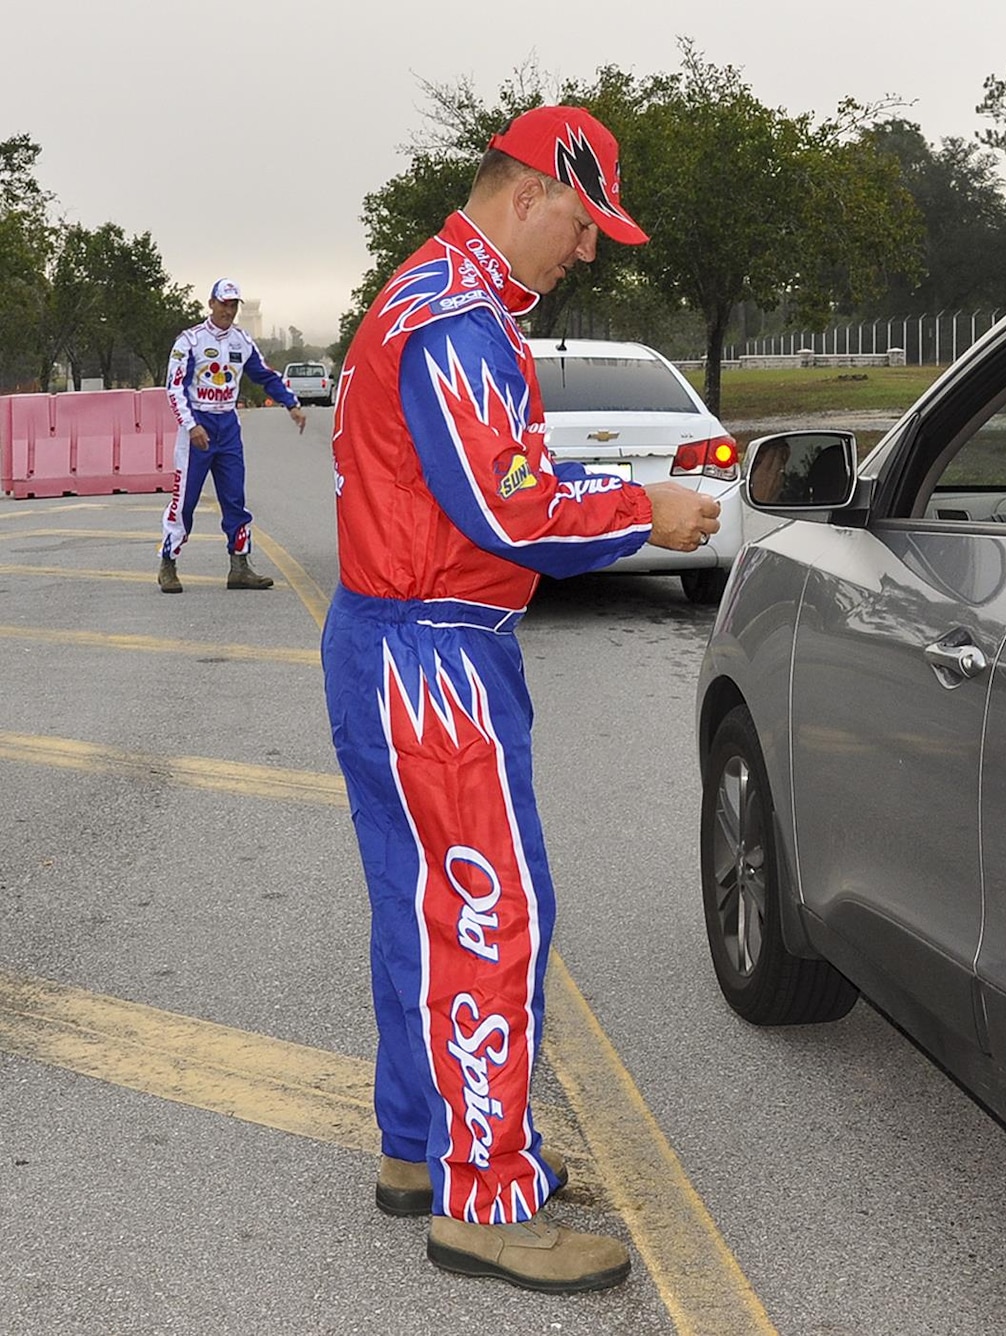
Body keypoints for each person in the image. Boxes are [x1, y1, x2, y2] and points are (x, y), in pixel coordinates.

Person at [319, 105, 721, 1294]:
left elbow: (501, 478)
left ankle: (422, 1151)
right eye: (583, 222)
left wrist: (616, 495)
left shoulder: (433, 294)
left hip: (395, 643)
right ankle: (484, 1197)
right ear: (527, 192)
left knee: (424, 913)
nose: (588, 250)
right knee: (493, 919)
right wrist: (645, 511)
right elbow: (511, 510)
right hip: (433, 657)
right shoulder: (455, 319)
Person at [158, 279, 306, 593]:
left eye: (233, 304)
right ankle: (168, 563)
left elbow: (264, 374)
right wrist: (191, 425)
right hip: (197, 426)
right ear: (211, 303)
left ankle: (240, 566)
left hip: (228, 426)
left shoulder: (241, 340)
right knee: (185, 500)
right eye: (223, 303)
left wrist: (290, 403)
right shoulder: (189, 341)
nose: (228, 310)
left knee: (235, 499)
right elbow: (174, 387)